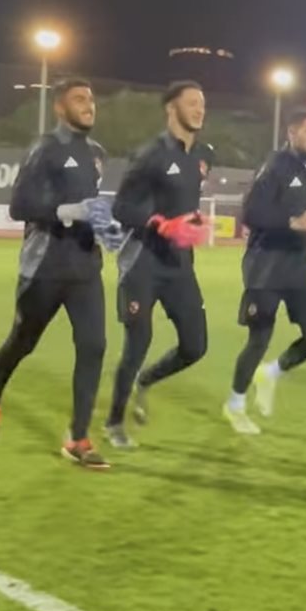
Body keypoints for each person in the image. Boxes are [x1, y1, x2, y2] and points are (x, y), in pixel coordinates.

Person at [0, 78, 117, 468]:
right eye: (79, 99)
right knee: (23, 342)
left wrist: (105, 227)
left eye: (91, 99)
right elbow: (19, 206)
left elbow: (89, 205)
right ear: (60, 107)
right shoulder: (44, 149)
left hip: (85, 267)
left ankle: (78, 438)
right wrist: (66, 211)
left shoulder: (96, 153)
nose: (89, 104)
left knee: (93, 346)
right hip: (44, 267)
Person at [104, 81, 212, 447]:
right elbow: (121, 207)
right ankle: (114, 423)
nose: (199, 109)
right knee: (138, 342)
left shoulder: (201, 156)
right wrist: (160, 224)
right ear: (171, 108)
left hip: (180, 265)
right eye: (192, 103)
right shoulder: (150, 154)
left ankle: (146, 380)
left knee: (195, 346)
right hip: (143, 262)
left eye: (202, 104)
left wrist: (195, 223)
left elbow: (185, 205)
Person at [222, 108, 306, 434]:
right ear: (291, 133)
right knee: (259, 339)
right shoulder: (275, 165)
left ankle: (270, 374)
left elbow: (305, 215)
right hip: (266, 265)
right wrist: (296, 223)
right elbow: (252, 213)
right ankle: (235, 405)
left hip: (299, 266)